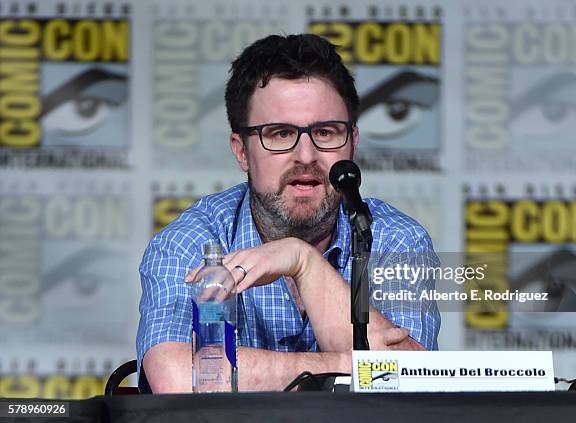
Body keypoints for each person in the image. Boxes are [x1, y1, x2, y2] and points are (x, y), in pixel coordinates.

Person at [137, 33, 440, 392]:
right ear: (242, 151)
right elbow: (174, 377)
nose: (306, 156)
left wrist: (303, 262)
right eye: (280, 134)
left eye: (326, 132)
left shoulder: (397, 240)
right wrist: (348, 365)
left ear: (353, 142)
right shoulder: (194, 241)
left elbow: (413, 382)